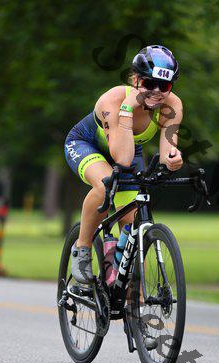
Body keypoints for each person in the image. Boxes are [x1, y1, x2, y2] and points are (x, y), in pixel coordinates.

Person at [64, 45, 183, 284]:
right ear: (136, 79)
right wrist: (128, 107)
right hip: (87, 144)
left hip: (127, 148)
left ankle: (128, 292)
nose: (157, 92)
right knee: (105, 185)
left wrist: (173, 158)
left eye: (164, 86)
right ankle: (82, 247)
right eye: (149, 84)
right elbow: (123, 159)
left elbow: (166, 152)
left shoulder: (172, 106)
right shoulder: (112, 100)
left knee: (133, 238)